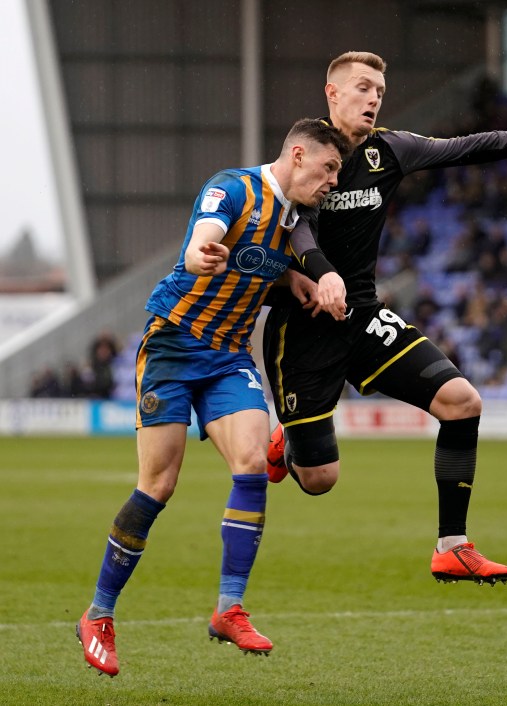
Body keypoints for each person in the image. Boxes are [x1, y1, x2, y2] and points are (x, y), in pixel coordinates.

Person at [262, 51, 507, 585]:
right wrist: (321, 272)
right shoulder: (306, 151)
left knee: (462, 402)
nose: (373, 98)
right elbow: (295, 224)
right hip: (304, 329)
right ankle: (288, 444)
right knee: (319, 480)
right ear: (332, 93)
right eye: (362, 87)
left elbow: (467, 147)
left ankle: (452, 546)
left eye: (379, 91)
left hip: (362, 316)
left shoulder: (390, 149)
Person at [76, 119, 351, 676]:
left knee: (251, 465)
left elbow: (257, 263)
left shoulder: (295, 220)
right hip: (173, 345)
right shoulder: (233, 187)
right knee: (158, 485)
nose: (332, 182)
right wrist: (203, 251)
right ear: (298, 155)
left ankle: (229, 608)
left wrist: (291, 281)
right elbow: (208, 231)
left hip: (228, 356)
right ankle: (98, 615)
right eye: (329, 169)